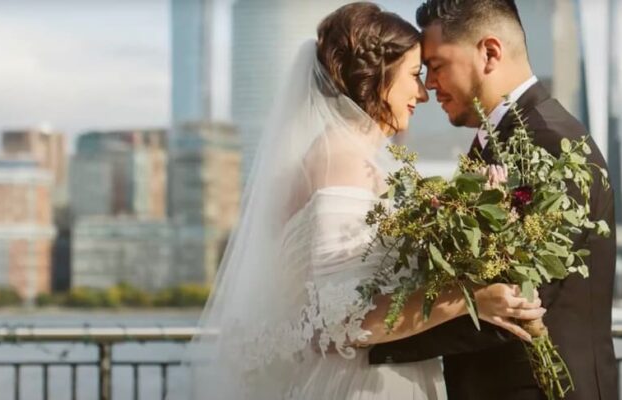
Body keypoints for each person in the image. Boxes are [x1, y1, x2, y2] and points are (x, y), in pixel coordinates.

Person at [177, 3, 544, 399]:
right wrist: (468, 298)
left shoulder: (334, 159)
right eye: (413, 75)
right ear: (377, 78)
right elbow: (343, 319)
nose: (422, 93)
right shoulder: (342, 161)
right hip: (365, 384)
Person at [369, 1, 618, 399]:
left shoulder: (552, 143)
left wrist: (372, 335)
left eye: (436, 65)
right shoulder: (495, 142)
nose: (429, 85)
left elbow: (521, 300)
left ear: (489, 52)